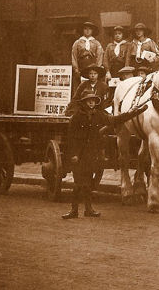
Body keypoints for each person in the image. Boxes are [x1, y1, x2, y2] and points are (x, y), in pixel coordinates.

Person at [62, 91, 147, 219]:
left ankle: (88, 209)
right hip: (79, 155)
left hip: (91, 154)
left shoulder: (99, 115)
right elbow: (71, 138)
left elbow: (116, 119)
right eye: (88, 101)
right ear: (84, 102)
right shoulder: (76, 117)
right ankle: (73, 210)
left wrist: (136, 112)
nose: (91, 103)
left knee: (88, 183)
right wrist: (74, 154)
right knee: (78, 183)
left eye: (93, 101)